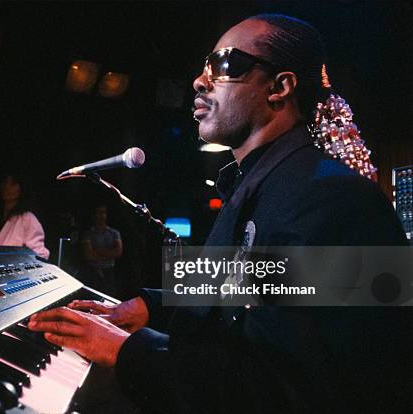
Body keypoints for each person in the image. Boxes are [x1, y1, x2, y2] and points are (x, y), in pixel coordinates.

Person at [28, 14, 412, 413]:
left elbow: (285, 390)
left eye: (224, 64)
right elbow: (252, 283)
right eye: (203, 67)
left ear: (279, 87)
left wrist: (128, 351)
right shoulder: (261, 184)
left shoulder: (335, 198)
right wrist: (146, 305)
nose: (199, 80)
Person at [0, 173, 49, 259]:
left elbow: (40, 255)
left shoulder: (28, 218)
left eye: (13, 184)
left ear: (21, 188)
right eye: (5, 182)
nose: (7, 187)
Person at [81, 205, 123, 298]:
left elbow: (118, 251)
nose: (101, 216)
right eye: (98, 213)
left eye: (103, 213)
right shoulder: (88, 233)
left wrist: (98, 251)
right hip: (93, 273)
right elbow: (89, 255)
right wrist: (109, 253)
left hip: (109, 273)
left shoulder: (114, 233)